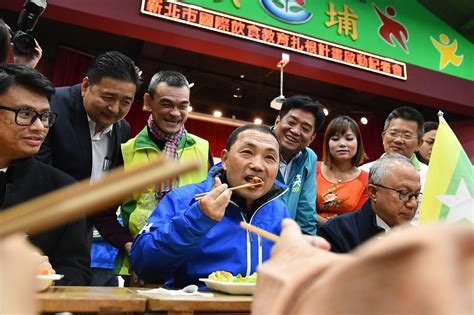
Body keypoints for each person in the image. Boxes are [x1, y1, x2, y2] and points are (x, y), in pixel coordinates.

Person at [130, 124, 290, 288]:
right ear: (225, 159)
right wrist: (197, 219)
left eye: (270, 157)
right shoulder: (183, 199)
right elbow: (144, 266)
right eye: (247, 152)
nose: (258, 165)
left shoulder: (280, 211)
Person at [36, 51, 142, 286]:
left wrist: (125, 241)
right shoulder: (53, 107)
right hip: (37, 229)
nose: (115, 109)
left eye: (126, 102)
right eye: (108, 97)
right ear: (86, 86)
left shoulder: (122, 129)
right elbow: (37, 176)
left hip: (79, 239)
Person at [253, 218, 474, 315]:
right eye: (402, 193)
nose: (409, 202)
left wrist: (298, 275)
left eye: (414, 195)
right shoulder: (340, 228)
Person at [0, 63, 90, 285]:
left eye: (45, 116)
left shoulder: (63, 190)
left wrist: (47, 278)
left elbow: (76, 271)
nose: (39, 126)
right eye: (26, 114)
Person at [116, 70, 211, 277]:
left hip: (189, 264)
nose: (175, 113)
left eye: (183, 106)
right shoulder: (127, 150)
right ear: (149, 101)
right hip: (137, 262)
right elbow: (105, 212)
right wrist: (130, 247)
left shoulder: (203, 149)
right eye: (166, 104)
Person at [317, 153, 420, 253]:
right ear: (373, 192)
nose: (413, 204)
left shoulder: (418, 239)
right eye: (403, 193)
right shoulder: (337, 232)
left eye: (416, 195)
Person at [359, 106, 427, 224]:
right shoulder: (363, 172)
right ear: (383, 137)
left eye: (407, 135)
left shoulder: (432, 176)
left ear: (419, 143)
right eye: (393, 133)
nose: (398, 140)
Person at [273, 95, 325, 235]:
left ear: (312, 138)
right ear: (278, 120)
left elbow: (306, 211)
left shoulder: (309, 158)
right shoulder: (255, 142)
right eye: (291, 122)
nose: (295, 131)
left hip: (285, 241)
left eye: (305, 128)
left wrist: (306, 247)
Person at [316, 116, 368, 225]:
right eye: (335, 139)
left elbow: (358, 221)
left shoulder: (366, 179)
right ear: (327, 143)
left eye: (349, 139)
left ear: (358, 143)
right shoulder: (313, 168)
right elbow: (302, 208)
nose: (342, 144)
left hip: (345, 239)